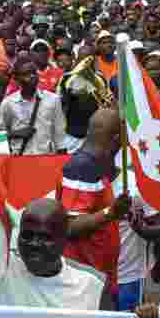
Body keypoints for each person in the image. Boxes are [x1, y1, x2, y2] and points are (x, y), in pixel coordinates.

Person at [0, 179, 116, 309]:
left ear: (63, 240)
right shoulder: (3, 269)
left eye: (45, 237)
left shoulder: (94, 285)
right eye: (27, 235)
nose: (34, 244)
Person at [60, 108, 132, 292]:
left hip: (98, 274)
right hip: (84, 279)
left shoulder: (99, 164)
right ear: (117, 139)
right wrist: (111, 213)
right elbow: (70, 226)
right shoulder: (83, 168)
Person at [0, 57, 66, 155]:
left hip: (46, 158)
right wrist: (15, 133)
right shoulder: (8, 103)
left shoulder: (53, 99)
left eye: (34, 72)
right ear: (16, 78)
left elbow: (60, 135)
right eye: (26, 74)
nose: (32, 76)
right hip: (19, 159)